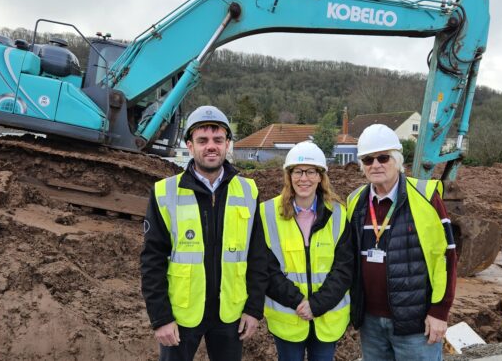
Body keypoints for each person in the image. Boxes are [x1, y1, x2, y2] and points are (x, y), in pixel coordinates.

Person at [140, 105, 268, 361]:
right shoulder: (166, 192)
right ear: (189, 145)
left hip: (230, 313)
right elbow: (151, 260)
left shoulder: (248, 191)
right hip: (182, 314)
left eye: (218, 140)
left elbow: (258, 256)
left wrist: (253, 310)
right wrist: (161, 318)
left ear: (228, 144)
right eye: (203, 140)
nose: (211, 146)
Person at [346, 124, 457, 361]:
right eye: (367, 160)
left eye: (383, 157)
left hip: (416, 324)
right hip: (370, 323)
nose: (375, 165)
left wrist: (440, 311)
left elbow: (446, 258)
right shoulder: (355, 201)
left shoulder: (426, 197)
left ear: (397, 160)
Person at [261, 141, 353, 361]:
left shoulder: (339, 214)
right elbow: (265, 267)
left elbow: (344, 268)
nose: (304, 178)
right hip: (289, 317)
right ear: (289, 175)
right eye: (298, 172)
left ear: (321, 176)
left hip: (327, 318)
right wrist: (298, 302)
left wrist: (317, 305)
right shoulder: (266, 213)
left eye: (311, 171)